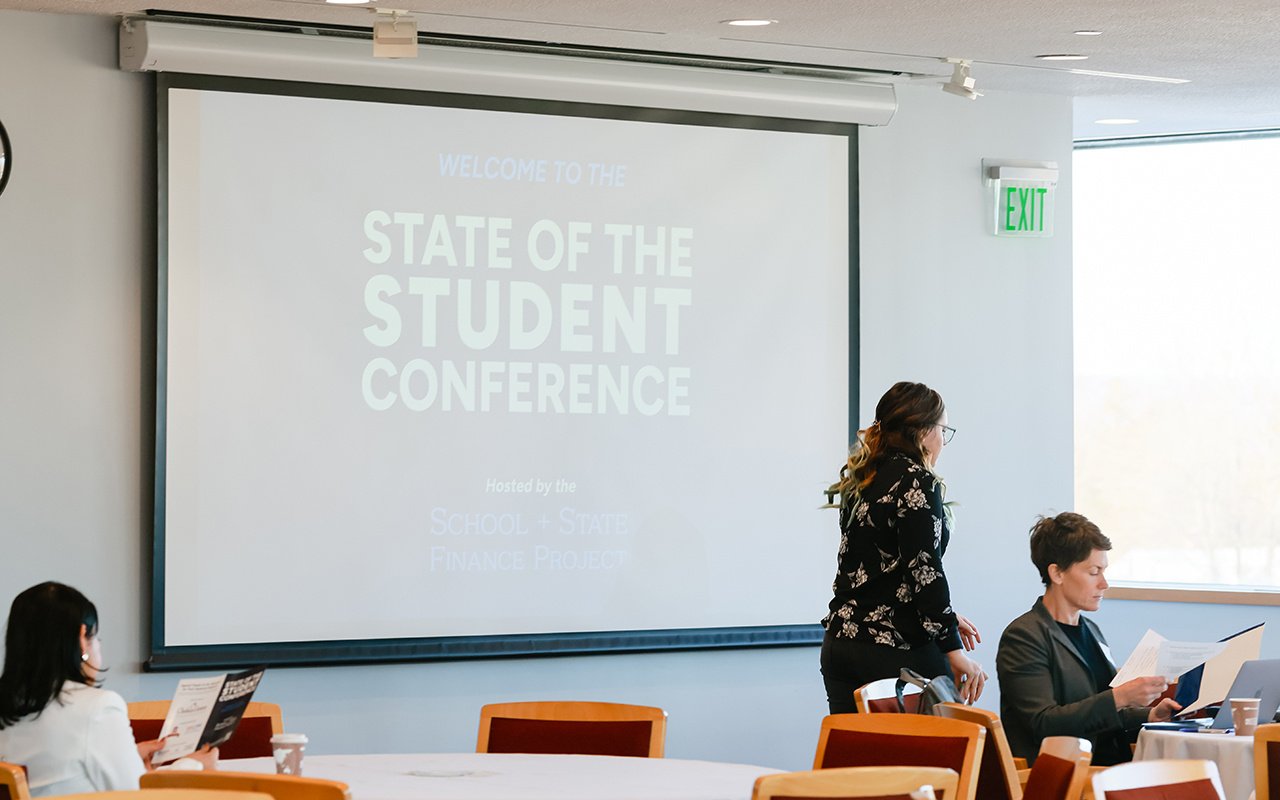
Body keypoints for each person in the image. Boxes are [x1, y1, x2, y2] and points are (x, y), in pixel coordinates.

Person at [820, 381, 986, 714]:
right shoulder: (918, 480)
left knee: (854, 760)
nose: (943, 441)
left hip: (841, 644)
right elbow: (925, 571)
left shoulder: (862, 478)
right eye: (943, 430)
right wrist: (953, 650)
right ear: (923, 432)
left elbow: (882, 575)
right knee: (937, 756)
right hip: (892, 647)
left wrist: (947, 619)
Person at [996, 513, 1180, 765]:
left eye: (1104, 571)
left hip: (1107, 767)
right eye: (1094, 572)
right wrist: (1121, 697)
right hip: (1063, 774)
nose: (1104, 584)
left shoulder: (1090, 630)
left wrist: (1150, 714)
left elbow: (1101, 712)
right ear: (1057, 573)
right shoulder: (1024, 637)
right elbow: (1043, 723)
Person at [0, 582, 216, 796]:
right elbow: (139, 795)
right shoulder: (96, 708)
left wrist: (129, 755)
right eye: (97, 638)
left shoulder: (9, 703)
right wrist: (192, 765)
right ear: (82, 638)